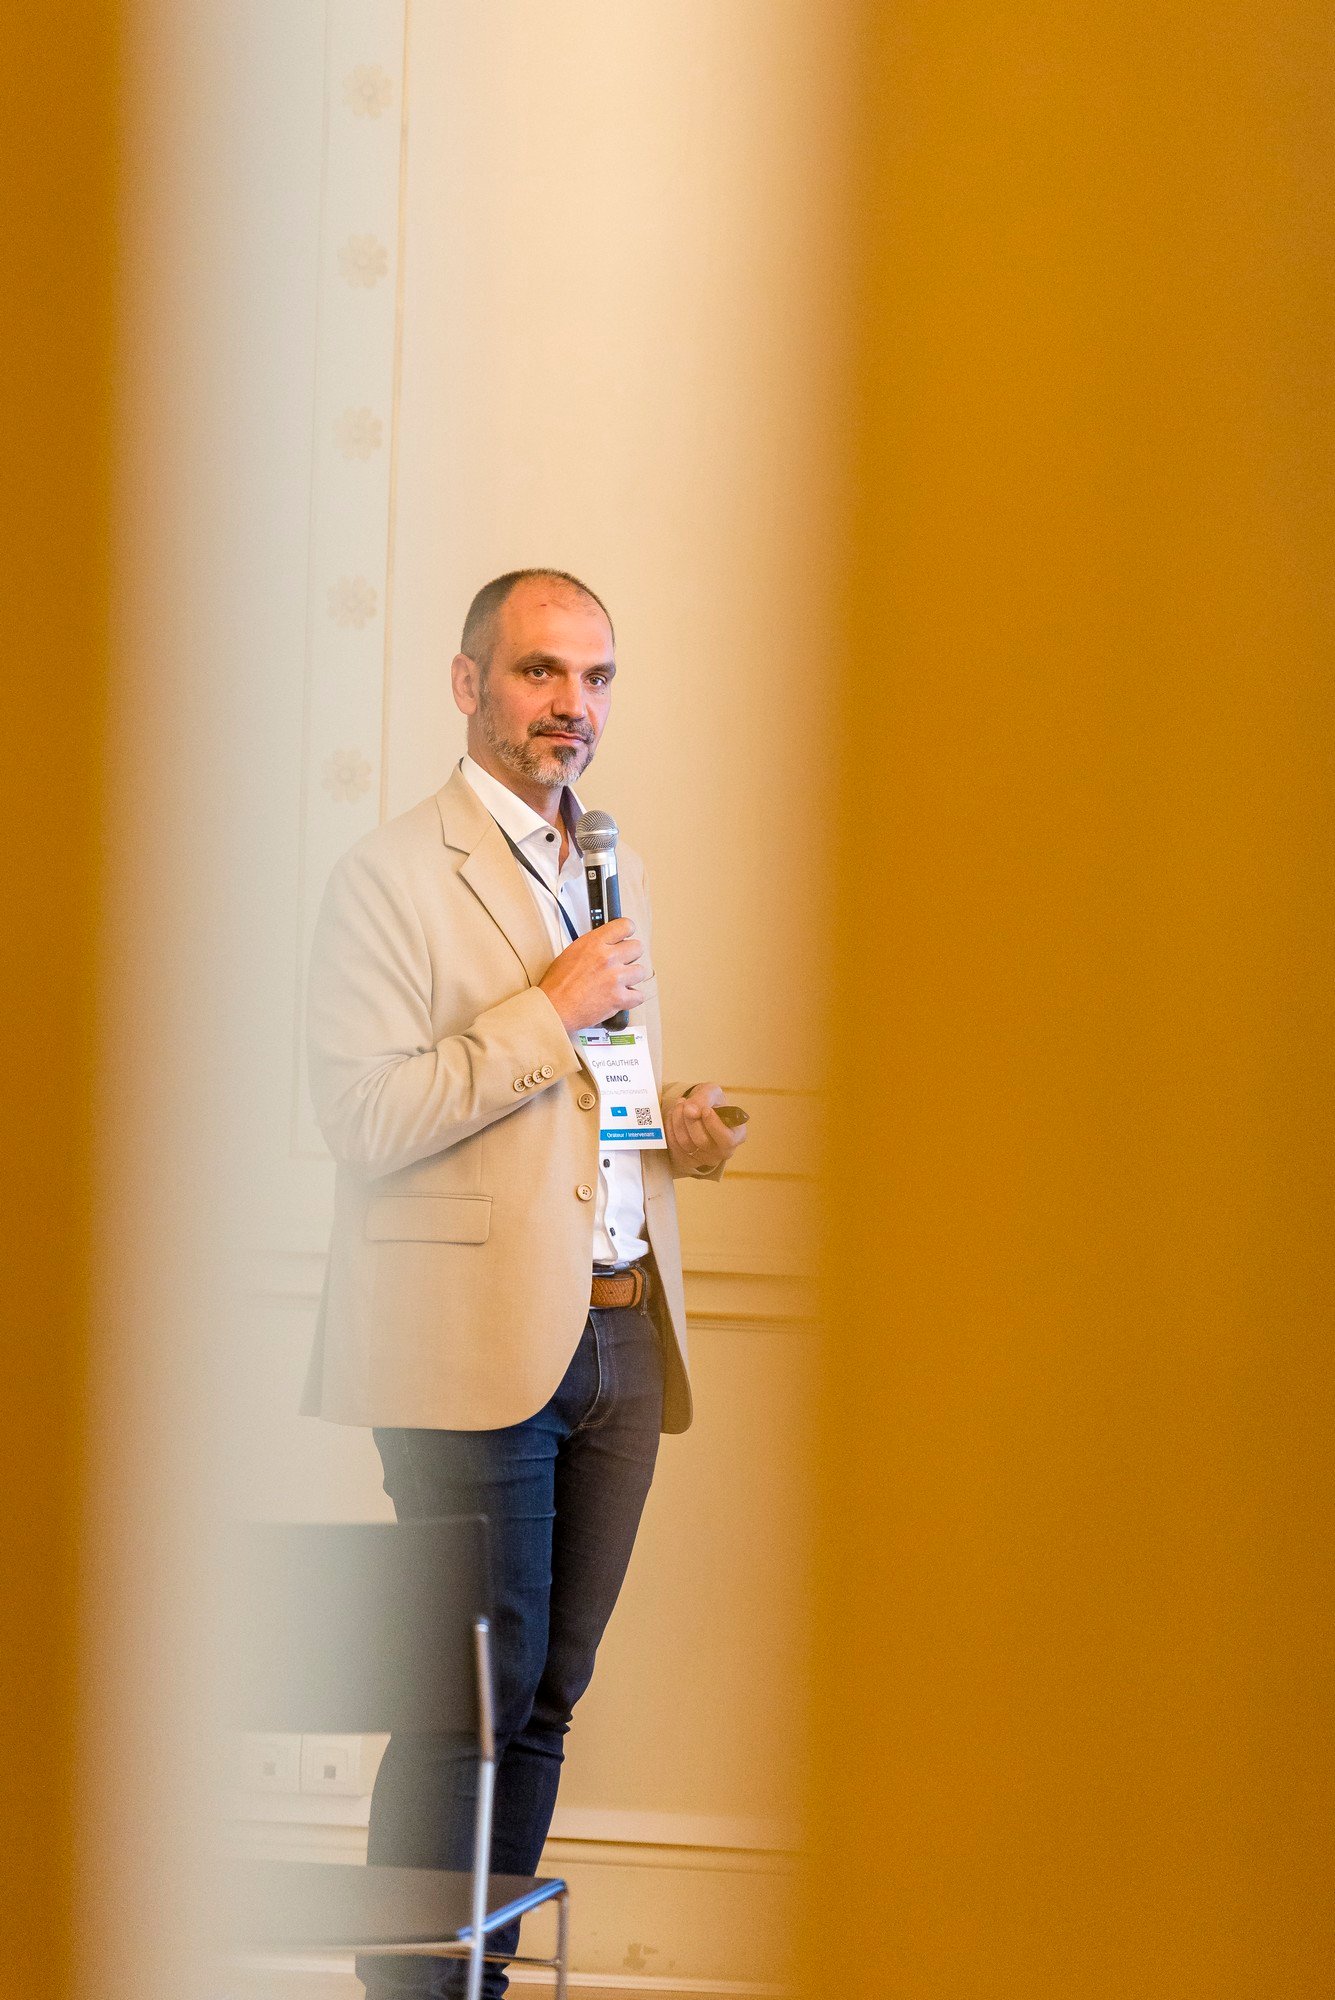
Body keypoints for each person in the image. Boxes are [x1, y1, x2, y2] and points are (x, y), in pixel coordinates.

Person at [303, 568, 746, 1999]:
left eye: (597, 677)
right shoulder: (387, 876)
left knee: (546, 1698)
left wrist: (668, 1127)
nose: (575, 706)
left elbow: (578, 1106)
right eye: (541, 671)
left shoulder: (607, 864)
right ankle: (418, 1989)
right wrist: (551, 1007)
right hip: (469, 1345)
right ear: (468, 684)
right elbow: (366, 1116)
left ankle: (472, 1984)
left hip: (620, 1334)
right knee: (466, 1704)